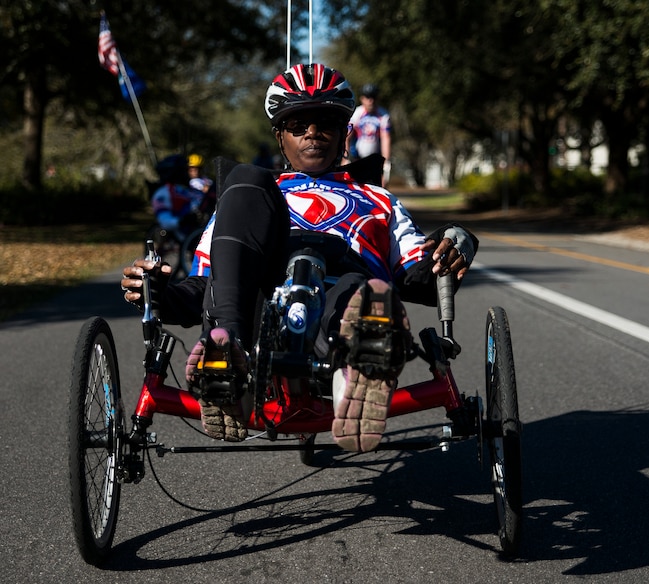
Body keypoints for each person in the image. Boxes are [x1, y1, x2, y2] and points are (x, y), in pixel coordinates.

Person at [121, 63, 477, 451]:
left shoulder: (380, 200)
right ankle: (228, 359)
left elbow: (418, 273)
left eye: (325, 122)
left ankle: (357, 374)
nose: (312, 132)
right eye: (297, 124)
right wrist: (160, 293)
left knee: (362, 294)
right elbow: (207, 285)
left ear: (346, 134)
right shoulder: (249, 195)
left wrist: (458, 242)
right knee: (243, 180)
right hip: (258, 312)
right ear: (280, 137)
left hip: (343, 300)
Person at [150, 154, 206, 242]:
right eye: (185, 170)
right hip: (182, 231)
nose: (188, 172)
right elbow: (165, 219)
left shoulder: (184, 190)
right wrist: (181, 221)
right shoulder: (164, 192)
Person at [345, 83, 392, 185]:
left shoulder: (383, 115)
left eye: (373, 97)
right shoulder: (357, 113)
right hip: (357, 158)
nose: (371, 101)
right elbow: (347, 136)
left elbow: (385, 139)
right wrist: (345, 158)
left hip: (375, 159)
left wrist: (386, 163)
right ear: (362, 99)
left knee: (379, 189)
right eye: (367, 97)